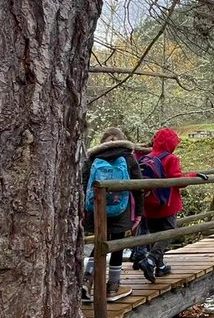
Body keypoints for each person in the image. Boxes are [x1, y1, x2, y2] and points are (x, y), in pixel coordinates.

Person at [135, 127, 205, 282]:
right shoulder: (170, 159)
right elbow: (179, 181)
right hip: (166, 205)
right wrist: (193, 176)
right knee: (169, 233)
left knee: (155, 235)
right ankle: (151, 260)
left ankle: (159, 267)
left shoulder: (146, 158)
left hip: (149, 204)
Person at [82, 127, 144, 302]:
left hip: (96, 209)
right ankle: (113, 287)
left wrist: (83, 211)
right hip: (121, 210)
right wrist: (138, 213)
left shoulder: (93, 158)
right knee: (117, 244)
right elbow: (139, 187)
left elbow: (83, 184)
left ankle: (87, 281)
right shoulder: (128, 158)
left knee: (99, 243)